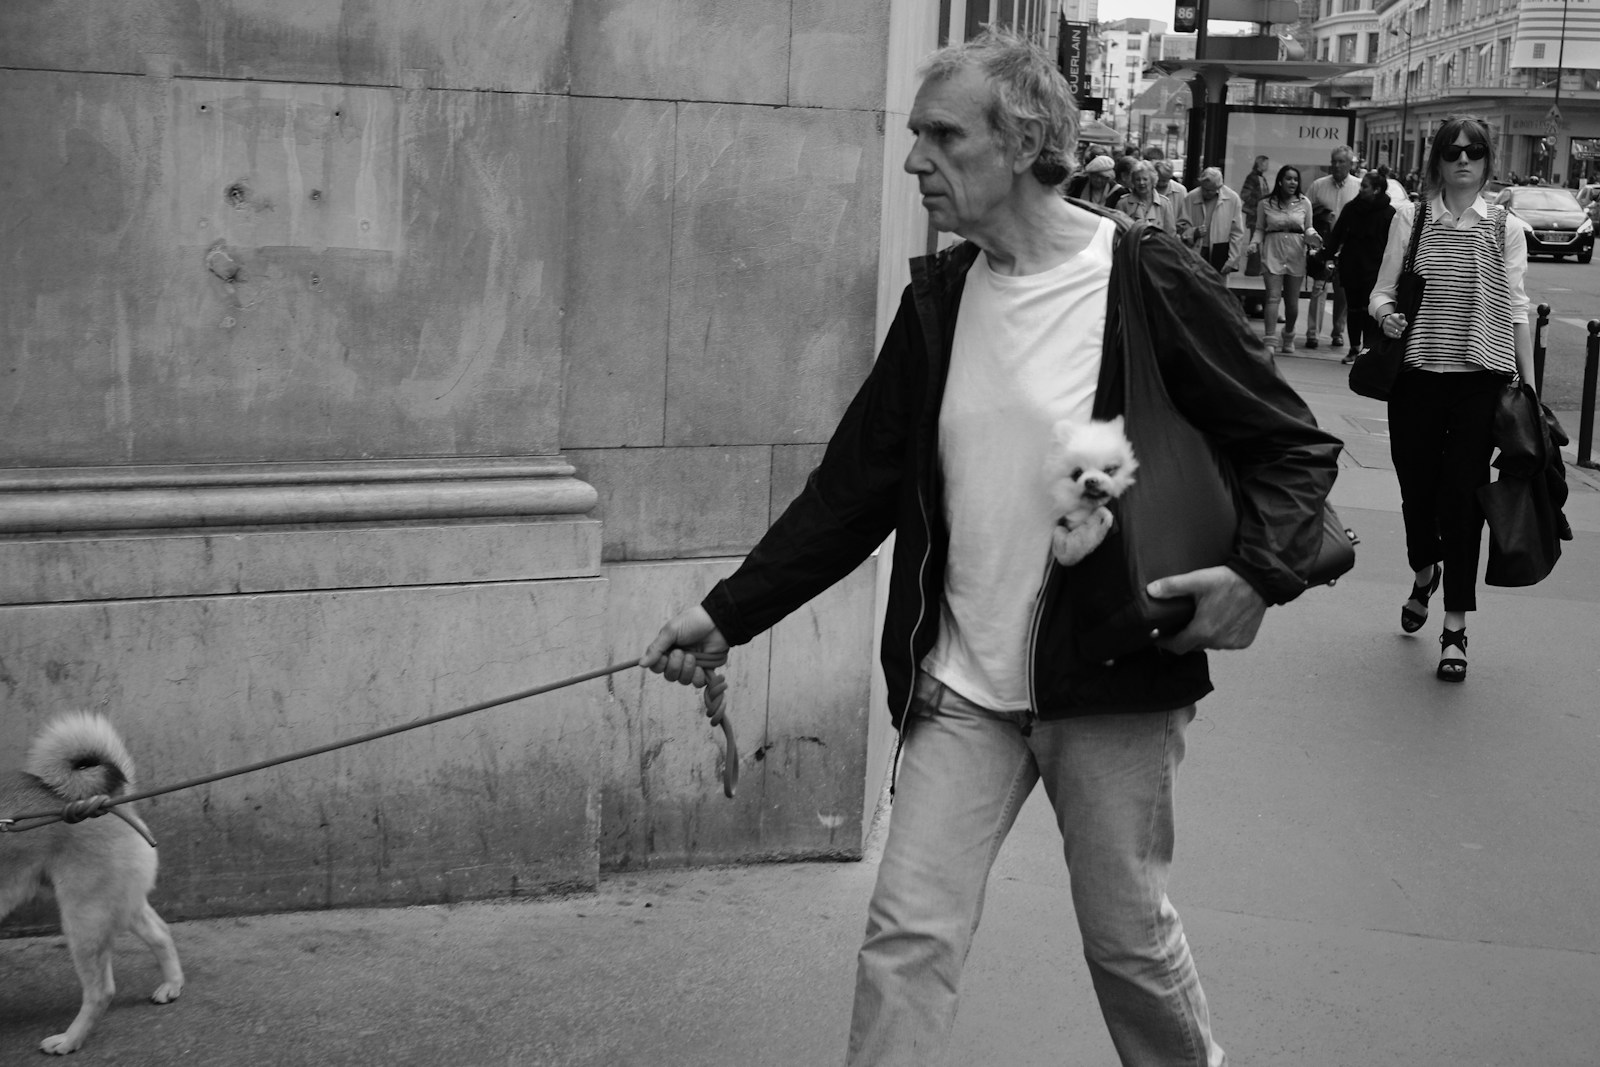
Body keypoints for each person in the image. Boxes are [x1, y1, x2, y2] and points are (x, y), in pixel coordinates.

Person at [642, 27, 1340, 1067]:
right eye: (914, 133)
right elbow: (849, 496)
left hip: (1107, 677)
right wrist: (727, 612)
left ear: (1018, 144)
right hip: (961, 687)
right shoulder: (936, 305)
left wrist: (1258, 575)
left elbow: (1292, 444)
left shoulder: (1141, 278)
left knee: (1128, 941)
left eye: (940, 135)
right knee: (904, 938)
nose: (914, 159)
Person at [1371, 116, 1533, 683]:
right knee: (1417, 490)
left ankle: (1455, 628)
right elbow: (1382, 291)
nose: (1463, 160)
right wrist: (1388, 316)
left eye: (1475, 151)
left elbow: (1517, 308)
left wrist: (1526, 388)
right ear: (1437, 159)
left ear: (1488, 161)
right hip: (1416, 377)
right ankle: (1424, 572)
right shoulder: (1411, 218)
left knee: (1463, 502)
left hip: (1479, 380)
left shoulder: (1505, 227)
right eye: (1452, 151)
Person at [1323, 170, 1395, 365]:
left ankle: (1367, 348)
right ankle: (1354, 347)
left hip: (1376, 268)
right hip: (1352, 265)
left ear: (1377, 189)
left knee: (1370, 310)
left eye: (1365, 186)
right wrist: (1326, 257)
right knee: (1354, 309)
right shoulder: (1351, 208)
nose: (1361, 189)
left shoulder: (1389, 213)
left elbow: (1394, 245)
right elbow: (1337, 234)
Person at [1249, 165, 1320, 355]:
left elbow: (1308, 227)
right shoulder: (1265, 203)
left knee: (1292, 301)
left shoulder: (1304, 203)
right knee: (1272, 297)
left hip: (1296, 252)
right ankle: (1270, 340)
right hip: (1273, 251)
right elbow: (1259, 228)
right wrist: (1254, 243)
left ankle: (1288, 335)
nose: (1292, 182)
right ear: (1280, 181)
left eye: (1295, 179)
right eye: (1288, 179)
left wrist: (1314, 237)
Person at [1306, 146, 1361, 350]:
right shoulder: (1318, 186)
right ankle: (1312, 334)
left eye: (1341, 161)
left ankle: (1338, 332)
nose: (1336, 165)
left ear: (1350, 164)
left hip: (1347, 248)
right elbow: (1306, 212)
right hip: (1324, 245)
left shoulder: (1358, 186)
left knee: (1342, 293)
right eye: (1334, 161)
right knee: (1318, 289)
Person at [1176, 167, 1247, 275]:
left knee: (1218, 289)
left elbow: (1236, 233)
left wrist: (1232, 260)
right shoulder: (1191, 196)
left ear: (1219, 187)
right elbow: (1181, 225)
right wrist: (1194, 232)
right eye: (1203, 188)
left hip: (1220, 251)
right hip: (1196, 251)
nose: (1205, 193)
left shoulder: (1232, 198)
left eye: (1210, 190)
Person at [1115, 159, 1177, 232]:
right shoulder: (1123, 204)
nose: (1141, 183)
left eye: (1145, 179)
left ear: (1152, 180)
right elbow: (1118, 232)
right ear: (1133, 182)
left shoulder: (1164, 204)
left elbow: (1171, 234)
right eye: (1138, 179)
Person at [1239, 154, 1271, 231]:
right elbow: (1244, 195)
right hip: (1254, 214)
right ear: (1260, 164)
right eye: (1266, 163)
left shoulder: (1262, 178)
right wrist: (1256, 203)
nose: (1267, 166)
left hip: (1262, 213)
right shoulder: (1252, 178)